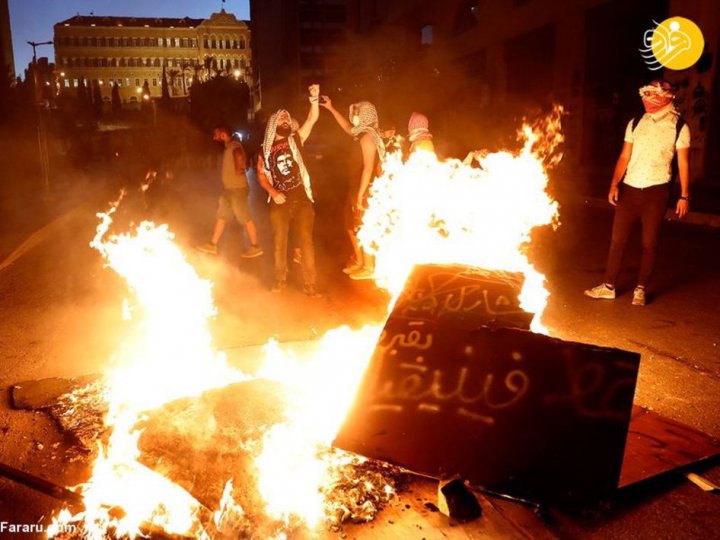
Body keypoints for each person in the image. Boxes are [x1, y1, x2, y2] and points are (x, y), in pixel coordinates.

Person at [585, 80, 691, 306]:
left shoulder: (680, 127)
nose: (646, 98)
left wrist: (684, 195)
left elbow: (683, 164)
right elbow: (624, 156)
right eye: (645, 93)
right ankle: (608, 286)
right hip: (630, 189)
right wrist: (614, 183)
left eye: (652, 94)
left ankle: (640, 289)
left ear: (666, 96)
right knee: (617, 240)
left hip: (656, 191)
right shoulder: (636, 122)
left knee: (649, 243)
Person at [256, 84, 321, 295]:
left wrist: (314, 97)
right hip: (280, 201)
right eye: (281, 118)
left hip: (301, 198)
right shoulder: (265, 149)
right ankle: (280, 279)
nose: (285, 120)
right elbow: (261, 175)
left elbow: (312, 119)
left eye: (287, 118)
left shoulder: (297, 139)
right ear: (274, 124)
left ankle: (310, 283)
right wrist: (273, 193)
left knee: (306, 243)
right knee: (279, 242)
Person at [321, 98, 385, 280]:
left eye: (357, 114)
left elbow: (368, 168)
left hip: (364, 191)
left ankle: (369, 266)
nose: (354, 117)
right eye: (354, 113)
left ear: (366, 115)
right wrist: (331, 108)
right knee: (351, 225)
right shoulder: (360, 133)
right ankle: (360, 261)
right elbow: (347, 127)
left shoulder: (368, 138)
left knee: (363, 227)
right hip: (355, 188)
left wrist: (359, 196)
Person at [198, 124, 262, 258]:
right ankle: (212, 245)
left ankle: (256, 246)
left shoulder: (233, 145)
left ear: (223, 133)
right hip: (229, 190)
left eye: (216, 133)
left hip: (237, 189)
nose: (215, 137)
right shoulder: (230, 146)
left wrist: (240, 167)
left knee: (244, 217)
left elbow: (239, 155)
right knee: (222, 216)